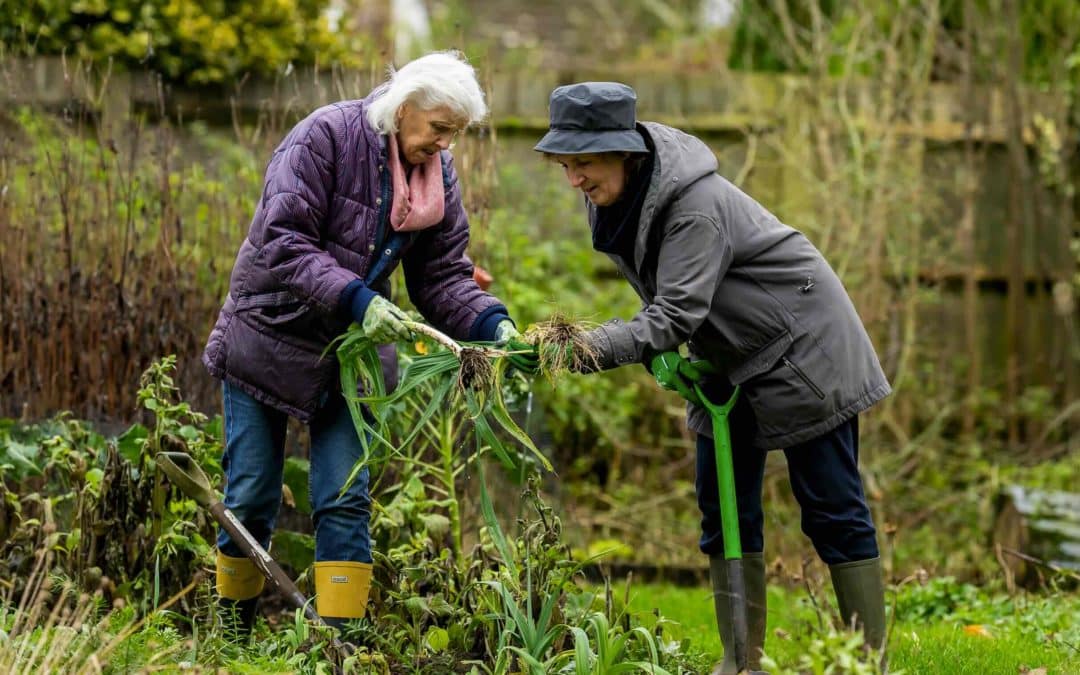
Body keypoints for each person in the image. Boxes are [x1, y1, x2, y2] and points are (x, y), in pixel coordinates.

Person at [513, 82, 890, 673]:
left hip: (805, 349)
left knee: (830, 507)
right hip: (728, 358)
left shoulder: (694, 206)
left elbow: (674, 312)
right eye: (565, 165)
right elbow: (674, 305)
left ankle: (868, 663)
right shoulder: (618, 198)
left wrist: (586, 347)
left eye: (582, 163)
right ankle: (739, 661)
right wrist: (659, 348)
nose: (573, 180)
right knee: (723, 509)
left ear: (624, 152)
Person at [201, 51, 525, 637]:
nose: (445, 145)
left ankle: (337, 646)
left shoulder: (435, 175)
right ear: (404, 109)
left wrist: (492, 323)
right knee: (250, 493)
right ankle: (232, 635)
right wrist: (359, 298)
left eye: (455, 133)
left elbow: (442, 276)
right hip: (270, 333)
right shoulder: (323, 137)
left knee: (343, 497)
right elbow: (283, 238)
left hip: (351, 355)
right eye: (439, 129)